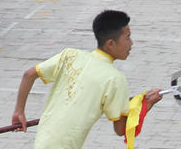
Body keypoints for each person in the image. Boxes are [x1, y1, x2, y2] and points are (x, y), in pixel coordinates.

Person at [12, 10, 163, 148]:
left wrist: (19, 111)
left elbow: (29, 75)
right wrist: (145, 105)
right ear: (111, 43)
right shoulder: (115, 79)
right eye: (127, 37)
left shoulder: (70, 55)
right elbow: (120, 129)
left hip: (42, 141)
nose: (131, 43)